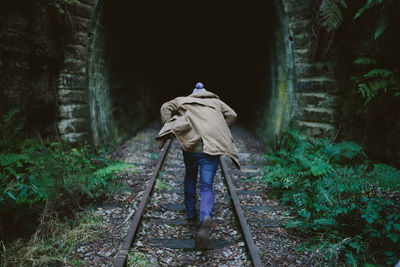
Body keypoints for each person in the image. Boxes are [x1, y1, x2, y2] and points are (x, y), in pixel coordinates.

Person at [156, 82, 240, 249]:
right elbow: (233, 115)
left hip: (191, 146)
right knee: (206, 186)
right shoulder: (217, 102)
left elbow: (165, 107)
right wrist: (218, 128)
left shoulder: (182, 100)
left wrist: (170, 125)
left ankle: (190, 213)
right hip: (212, 147)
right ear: (207, 93)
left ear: (193, 93)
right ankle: (205, 216)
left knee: (190, 175)